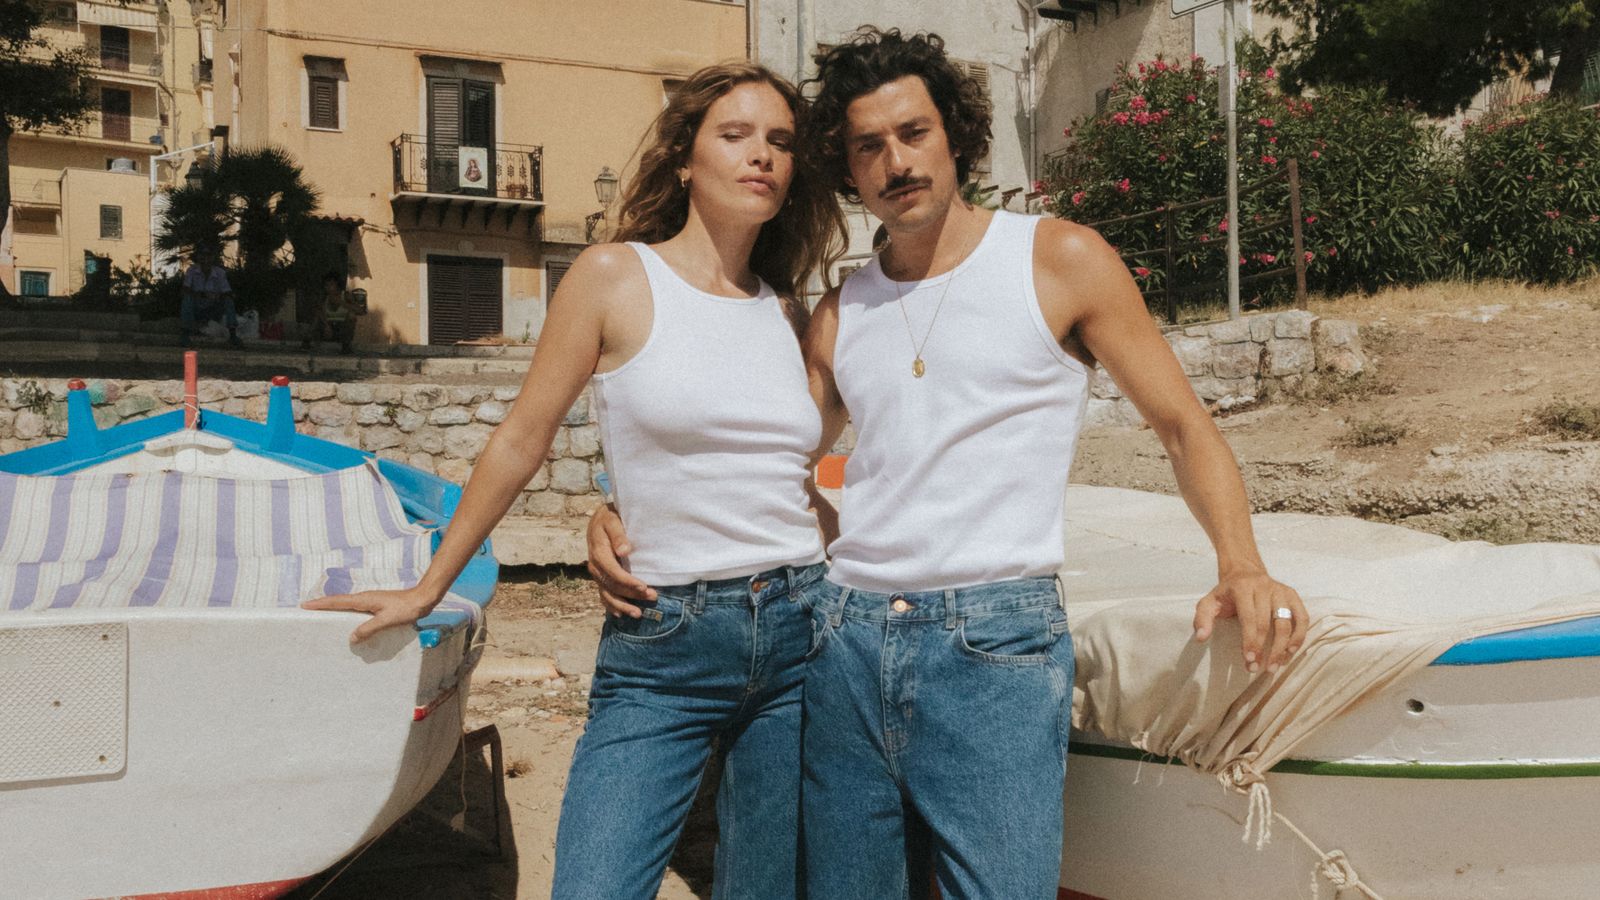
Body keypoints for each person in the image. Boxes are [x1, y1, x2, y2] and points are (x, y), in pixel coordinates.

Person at [587, 28, 1309, 899]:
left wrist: (1241, 563)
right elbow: (752, 455)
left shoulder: (1058, 260)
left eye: (914, 133)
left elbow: (1184, 427)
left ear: (955, 136)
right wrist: (612, 508)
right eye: (868, 147)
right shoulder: (842, 309)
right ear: (848, 172)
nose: (896, 161)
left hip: (994, 644)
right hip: (843, 644)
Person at [305, 61, 846, 900]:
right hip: (665, 634)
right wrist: (427, 587)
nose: (762, 156)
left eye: (778, 141)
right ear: (684, 159)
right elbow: (522, 439)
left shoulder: (786, 311)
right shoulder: (612, 276)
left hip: (797, 624)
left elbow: (790, 474)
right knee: (596, 885)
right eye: (734, 135)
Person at [180, 245, 242, 348]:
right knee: (187, 299)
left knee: (228, 301)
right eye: (202, 255)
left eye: (208, 255)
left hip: (213, 308)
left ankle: (233, 334)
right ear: (198, 257)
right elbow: (185, 289)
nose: (205, 259)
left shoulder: (220, 273)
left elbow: (228, 292)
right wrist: (200, 294)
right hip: (197, 308)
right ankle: (185, 334)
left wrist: (218, 296)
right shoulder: (192, 271)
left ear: (213, 257)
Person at [303, 272, 358, 354]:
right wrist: (326, 325)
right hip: (327, 327)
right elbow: (318, 311)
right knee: (316, 316)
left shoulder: (346, 296)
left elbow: (360, 310)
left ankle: (346, 345)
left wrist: (342, 303)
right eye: (326, 285)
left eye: (331, 285)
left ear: (337, 285)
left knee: (352, 315)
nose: (329, 288)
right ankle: (306, 341)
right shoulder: (324, 297)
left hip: (341, 327)